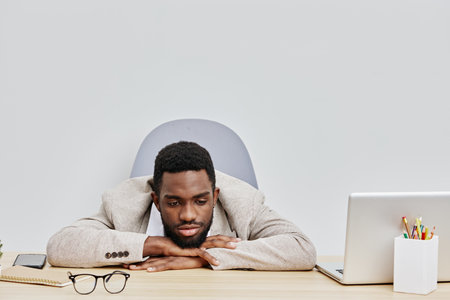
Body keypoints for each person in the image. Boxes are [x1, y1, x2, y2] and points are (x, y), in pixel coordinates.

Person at [47, 141, 316, 272]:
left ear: (215, 196)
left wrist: (202, 258)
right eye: (173, 203)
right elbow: (60, 246)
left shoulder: (242, 202)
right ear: (156, 200)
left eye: (201, 201)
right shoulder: (123, 202)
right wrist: (158, 244)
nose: (188, 215)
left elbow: (302, 250)